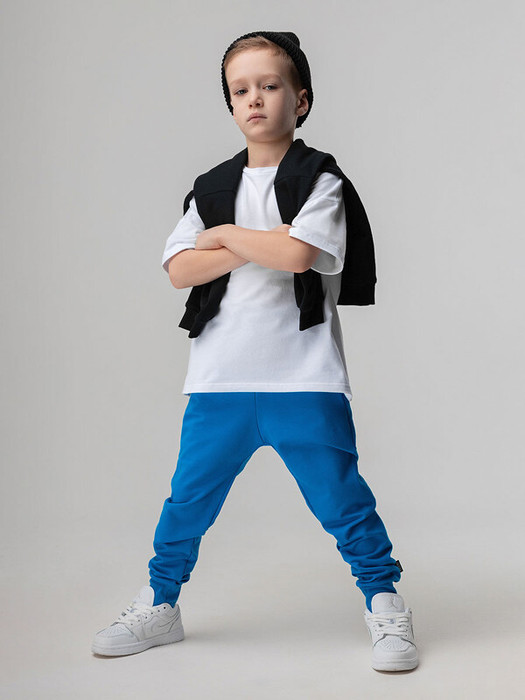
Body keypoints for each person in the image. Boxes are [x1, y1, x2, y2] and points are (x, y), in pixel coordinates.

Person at [91, 30, 418, 672]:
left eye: (270, 86)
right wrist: (258, 240)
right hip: (220, 380)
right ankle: (160, 603)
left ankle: (385, 603)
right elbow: (180, 271)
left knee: (343, 500)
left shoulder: (320, 179)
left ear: (301, 99)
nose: (255, 99)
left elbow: (297, 255)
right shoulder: (211, 185)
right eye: (240, 90)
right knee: (188, 501)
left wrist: (226, 237)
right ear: (230, 103)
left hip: (305, 378)